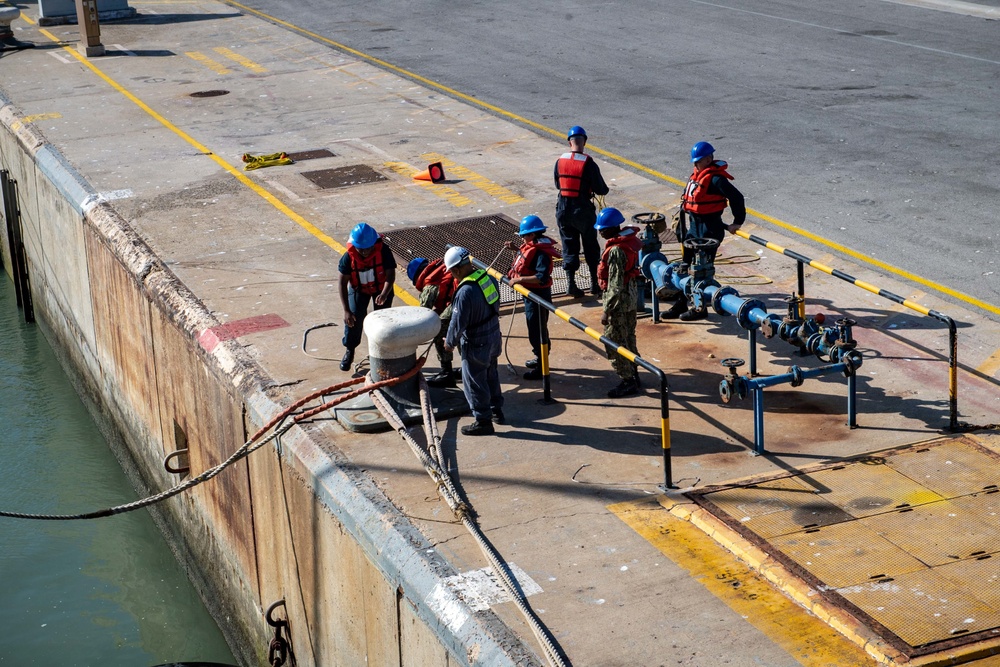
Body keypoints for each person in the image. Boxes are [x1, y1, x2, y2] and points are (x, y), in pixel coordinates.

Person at [665, 141, 747, 321]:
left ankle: (699, 308)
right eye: (694, 162)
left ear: (709, 159)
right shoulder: (697, 176)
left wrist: (737, 222)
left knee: (701, 270)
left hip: (710, 231)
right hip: (694, 229)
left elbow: (737, 198)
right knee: (684, 267)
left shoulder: (717, 179)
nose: (695, 165)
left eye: (698, 161)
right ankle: (680, 303)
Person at [443, 246, 504, 436]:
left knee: (474, 380)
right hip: (494, 335)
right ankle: (496, 411)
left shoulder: (465, 292)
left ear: (457, 270)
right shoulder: (488, 277)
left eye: (452, 272)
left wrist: (450, 343)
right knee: (491, 373)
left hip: (476, 342)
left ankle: (483, 420)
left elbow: (457, 322)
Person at [554, 125, 609, 298]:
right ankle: (594, 284)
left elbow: (558, 184)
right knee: (591, 246)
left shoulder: (560, 161)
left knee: (569, 246)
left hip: (563, 208)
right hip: (582, 209)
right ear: (584, 141)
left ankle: (571, 284)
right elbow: (601, 189)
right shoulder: (588, 163)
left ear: (569, 142)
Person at [594, 207, 643, 398]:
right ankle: (634, 372)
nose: (600, 232)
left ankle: (627, 380)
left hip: (619, 303)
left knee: (613, 340)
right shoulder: (628, 243)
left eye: (603, 229)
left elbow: (614, 284)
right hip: (630, 298)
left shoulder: (615, 250)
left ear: (614, 228)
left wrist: (606, 311)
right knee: (629, 337)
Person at [505, 215, 561, 380]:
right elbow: (527, 260)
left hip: (538, 296)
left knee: (537, 331)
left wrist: (519, 279)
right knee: (535, 328)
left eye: (524, 235)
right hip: (530, 295)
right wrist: (516, 249)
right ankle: (539, 358)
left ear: (533, 234)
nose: (522, 238)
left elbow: (541, 277)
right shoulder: (532, 246)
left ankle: (542, 367)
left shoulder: (542, 253)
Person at [338, 222, 396, 371]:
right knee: (353, 319)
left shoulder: (383, 251)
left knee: (382, 322)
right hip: (359, 290)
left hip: (381, 289)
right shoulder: (348, 258)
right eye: (361, 249)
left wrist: (384, 294)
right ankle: (350, 350)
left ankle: (380, 352)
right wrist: (346, 310)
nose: (365, 252)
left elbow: (390, 274)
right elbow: (342, 283)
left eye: (368, 248)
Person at [407, 256, 459, 388]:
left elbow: (424, 315)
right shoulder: (441, 272)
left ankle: (447, 372)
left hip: (459, 304)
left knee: (439, 330)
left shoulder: (430, 285)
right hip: (467, 299)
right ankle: (467, 366)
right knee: (462, 333)